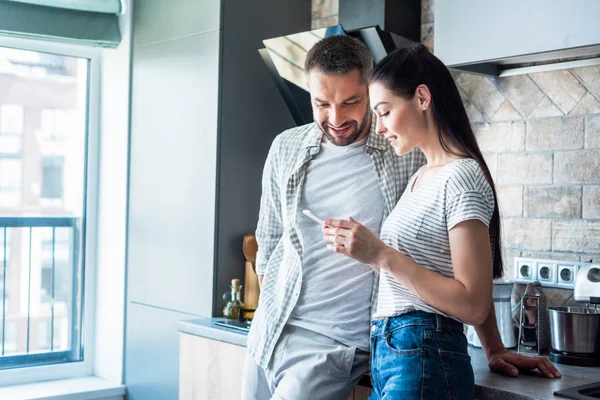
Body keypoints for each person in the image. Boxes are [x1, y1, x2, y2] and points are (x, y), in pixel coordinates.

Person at [243, 35, 559, 400]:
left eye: (354, 103)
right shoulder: (291, 148)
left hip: (352, 345)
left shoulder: (410, 154)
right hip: (275, 333)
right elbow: (267, 247)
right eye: (321, 104)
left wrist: (492, 345)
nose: (336, 117)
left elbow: (466, 278)